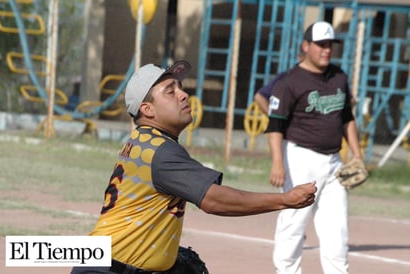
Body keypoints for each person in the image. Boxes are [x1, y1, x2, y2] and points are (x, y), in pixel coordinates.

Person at [70, 60, 317, 274]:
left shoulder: (143, 142)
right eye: (170, 91)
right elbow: (215, 200)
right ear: (147, 110)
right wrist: (285, 200)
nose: (183, 94)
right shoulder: (161, 151)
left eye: (180, 87)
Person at [265, 21, 363, 274]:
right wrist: (278, 163)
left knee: (337, 227)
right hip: (300, 157)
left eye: (330, 45)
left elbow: (347, 118)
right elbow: (275, 125)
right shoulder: (289, 81)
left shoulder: (339, 77)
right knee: (294, 221)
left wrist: (357, 154)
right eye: (321, 44)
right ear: (306, 46)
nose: (326, 50)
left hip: (333, 162)